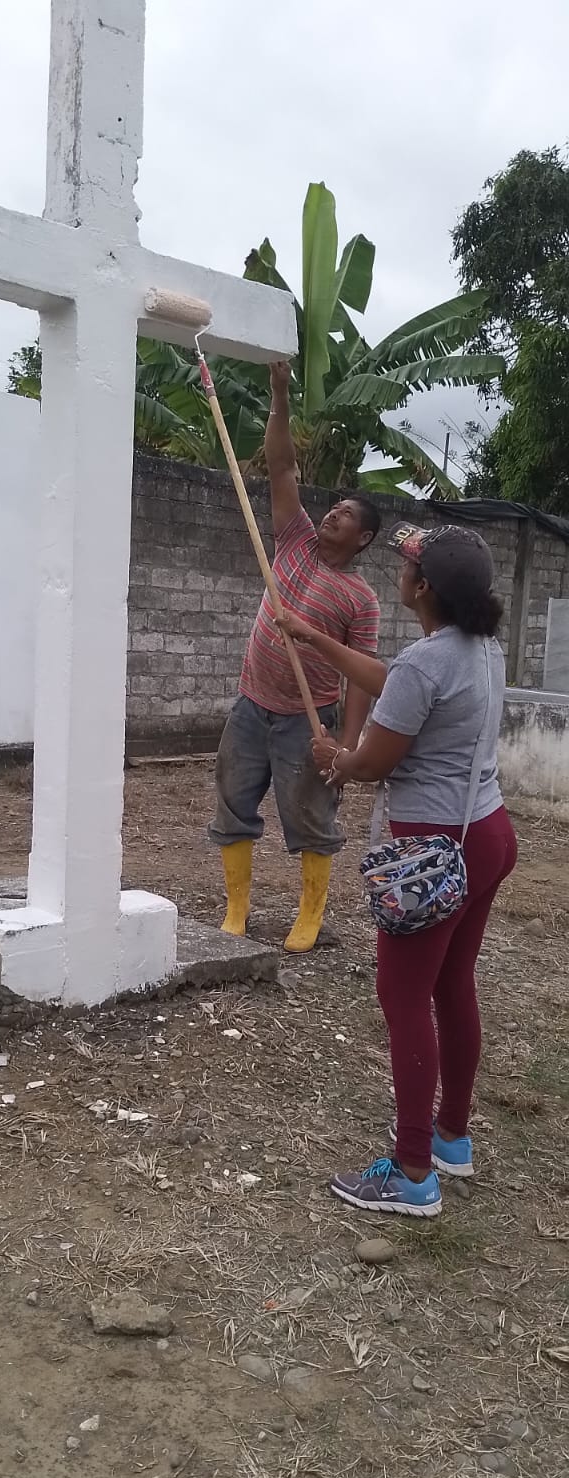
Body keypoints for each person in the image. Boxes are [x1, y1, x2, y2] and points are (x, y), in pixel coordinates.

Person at [282, 521, 517, 1216]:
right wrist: (317, 638)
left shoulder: (426, 662)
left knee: (404, 996)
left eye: (409, 566)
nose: (402, 572)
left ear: (423, 588)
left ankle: (413, 1174)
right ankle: (450, 1138)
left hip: (429, 852)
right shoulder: (481, 649)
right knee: (451, 985)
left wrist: (336, 758)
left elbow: (372, 763)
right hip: (486, 833)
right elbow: (397, 683)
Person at [209, 361, 381, 953]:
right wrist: (279, 393)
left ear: (362, 539)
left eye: (347, 515)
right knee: (232, 803)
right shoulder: (294, 539)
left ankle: (309, 917)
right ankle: (237, 911)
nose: (333, 514)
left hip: (307, 722)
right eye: (335, 507)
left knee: (310, 817)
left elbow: (361, 679)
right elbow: (282, 466)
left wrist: (346, 748)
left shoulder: (360, 598)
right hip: (250, 705)